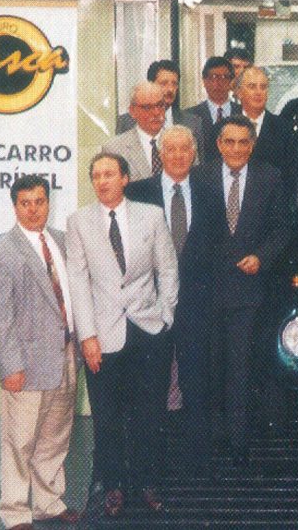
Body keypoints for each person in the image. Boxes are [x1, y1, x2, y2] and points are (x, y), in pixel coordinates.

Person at [177, 116, 292, 471]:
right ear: (218, 144)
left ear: (253, 145)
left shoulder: (270, 177)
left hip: (248, 291)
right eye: (230, 142)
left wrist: (262, 257)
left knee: (241, 367)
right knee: (209, 366)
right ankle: (214, 438)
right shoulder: (200, 177)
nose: (237, 149)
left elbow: (282, 228)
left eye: (244, 142)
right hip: (207, 290)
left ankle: (239, 442)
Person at [66, 153, 178, 517]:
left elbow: (168, 269)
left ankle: (148, 484)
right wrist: (87, 336)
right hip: (102, 336)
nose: (102, 181)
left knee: (150, 414)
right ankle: (113, 486)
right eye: (96, 176)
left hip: (148, 330)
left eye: (109, 174)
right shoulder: (78, 222)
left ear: (125, 178)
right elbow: (78, 282)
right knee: (107, 417)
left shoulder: (152, 215)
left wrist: (165, 316)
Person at [0, 175, 81, 530]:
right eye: (25, 203)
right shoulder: (1, 252)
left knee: (55, 437)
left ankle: (48, 503)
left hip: (66, 355)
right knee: (19, 441)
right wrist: (10, 366)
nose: (33, 209)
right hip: (25, 365)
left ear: (48, 203)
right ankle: (15, 512)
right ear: (15, 207)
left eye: (39, 201)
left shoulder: (62, 242)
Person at [125, 125, 210, 412]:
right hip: (149, 305)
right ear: (160, 154)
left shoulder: (210, 192)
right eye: (170, 149)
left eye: (184, 149)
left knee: (196, 388)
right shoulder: (137, 193)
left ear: (194, 154)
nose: (178, 155)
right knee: (150, 388)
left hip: (197, 306)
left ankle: (192, 443)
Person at [114, 60, 205, 159]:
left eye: (174, 84)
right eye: (164, 83)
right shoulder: (127, 122)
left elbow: (198, 164)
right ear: (151, 84)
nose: (170, 89)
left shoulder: (192, 123)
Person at [233, 66, 293, 180]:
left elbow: (290, 177)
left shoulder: (283, 129)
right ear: (239, 92)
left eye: (263, 87)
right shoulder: (224, 127)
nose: (258, 92)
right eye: (252, 86)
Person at [102, 81, 167, 181]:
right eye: (147, 107)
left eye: (160, 105)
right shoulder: (115, 150)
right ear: (132, 111)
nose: (156, 112)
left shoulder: (182, 143)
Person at [186, 56, 240, 148]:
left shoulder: (243, 113)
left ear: (231, 81)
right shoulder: (189, 116)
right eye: (213, 77)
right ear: (204, 81)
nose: (218, 83)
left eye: (224, 77)